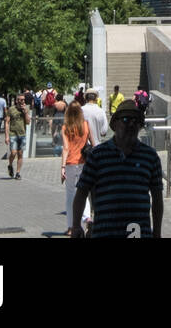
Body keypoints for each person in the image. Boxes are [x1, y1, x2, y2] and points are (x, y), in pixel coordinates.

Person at [71, 100, 163, 239]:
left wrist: (157, 233)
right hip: (105, 231)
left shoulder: (150, 156)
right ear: (115, 124)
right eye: (125, 119)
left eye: (135, 120)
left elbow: (157, 198)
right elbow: (82, 192)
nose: (131, 124)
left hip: (138, 232)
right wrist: (76, 225)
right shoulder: (98, 155)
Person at [61, 100, 91, 234]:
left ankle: (71, 226)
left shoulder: (65, 127)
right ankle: (88, 218)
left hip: (71, 163)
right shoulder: (85, 125)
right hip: (84, 162)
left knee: (70, 194)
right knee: (84, 192)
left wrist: (62, 167)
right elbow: (90, 143)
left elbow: (66, 148)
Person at [7, 92, 31, 180]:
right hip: (13, 133)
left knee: (20, 154)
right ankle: (10, 165)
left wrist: (25, 112)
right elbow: (7, 122)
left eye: (23, 100)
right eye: (20, 100)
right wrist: (6, 135)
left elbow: (28, 122)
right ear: (17, 100)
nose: (22, 101)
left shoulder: (26, 109)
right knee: (13, 153)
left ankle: (17, 172)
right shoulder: (11, 109)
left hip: (22, 134)